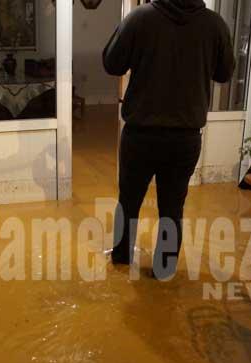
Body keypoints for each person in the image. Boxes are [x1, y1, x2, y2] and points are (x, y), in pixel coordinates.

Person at [103, 0, 235, 280]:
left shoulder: (139, 18)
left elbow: (112, 63)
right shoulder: (215, 25)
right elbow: (225, 74)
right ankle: (165, 269)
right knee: (172, 206)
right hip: (185, 138)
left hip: (141, 134)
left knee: (128, 200)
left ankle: (121, 259)